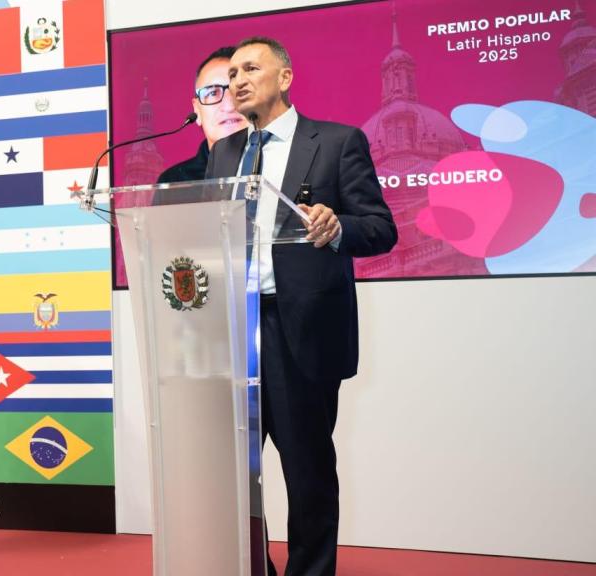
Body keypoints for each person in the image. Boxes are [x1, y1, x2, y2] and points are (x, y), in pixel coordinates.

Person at [205, 37, 397, 575]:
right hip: (235, 330)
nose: (237, 81)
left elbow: (381, 229)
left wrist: (338, 228)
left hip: (300, 331)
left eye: (250, 69)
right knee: (233, 474)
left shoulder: (336, 143)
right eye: (231, 74)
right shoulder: (224, 151)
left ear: (285, 77)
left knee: (306, 471)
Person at [157, 46, 247, 184]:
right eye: (212, 93)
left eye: (239, 91)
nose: (229, 106)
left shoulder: (282, 169)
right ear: (197, 110)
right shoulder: (173, 182)